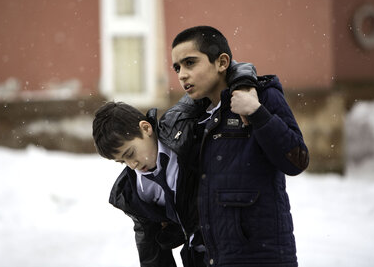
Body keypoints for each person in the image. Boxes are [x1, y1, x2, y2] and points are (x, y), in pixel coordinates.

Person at [159, 25, 309, 267]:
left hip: (261, 257)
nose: (182, 74)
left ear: (222, 62)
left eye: (190, 63)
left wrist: (257, 113)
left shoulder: (262, 96)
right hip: (210, 258)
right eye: (177, 67)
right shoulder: (192, 119)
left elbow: (296, 160)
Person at [92, 63, 258, 267]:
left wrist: (244, 87)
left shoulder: (179, 122)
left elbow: (225, 69)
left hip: (237, 239)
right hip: (198, 256)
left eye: (130, 153)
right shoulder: (136, 191)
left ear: (145, 128)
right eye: (122, 161)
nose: (132, 164)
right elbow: (150, 249)